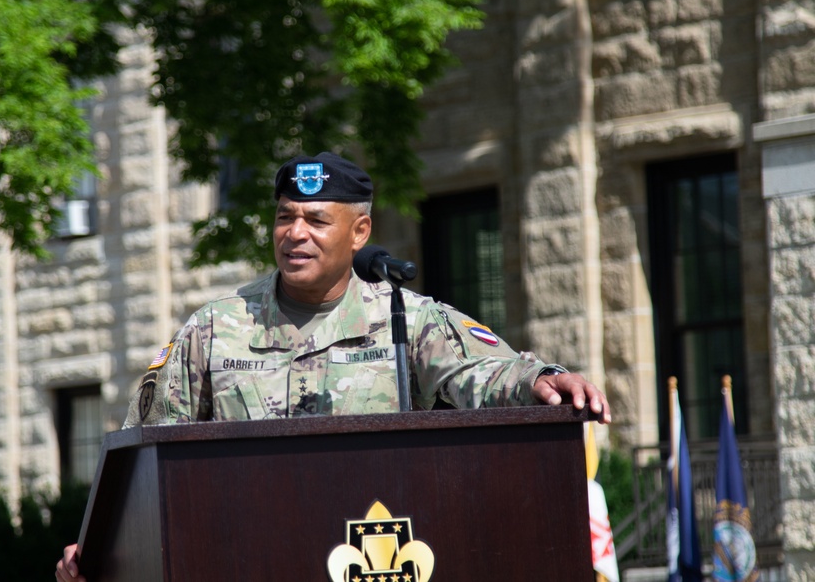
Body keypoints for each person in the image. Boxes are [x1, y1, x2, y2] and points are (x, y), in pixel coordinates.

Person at [55, 151, 610, 582]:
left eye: (316, 220)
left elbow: (482, 374)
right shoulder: (213, 329)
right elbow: (141, 452)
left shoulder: (402, 319)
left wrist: (541, 379)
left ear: (359, 233)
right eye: (284, 217)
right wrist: (100, 551)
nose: (295, 233)